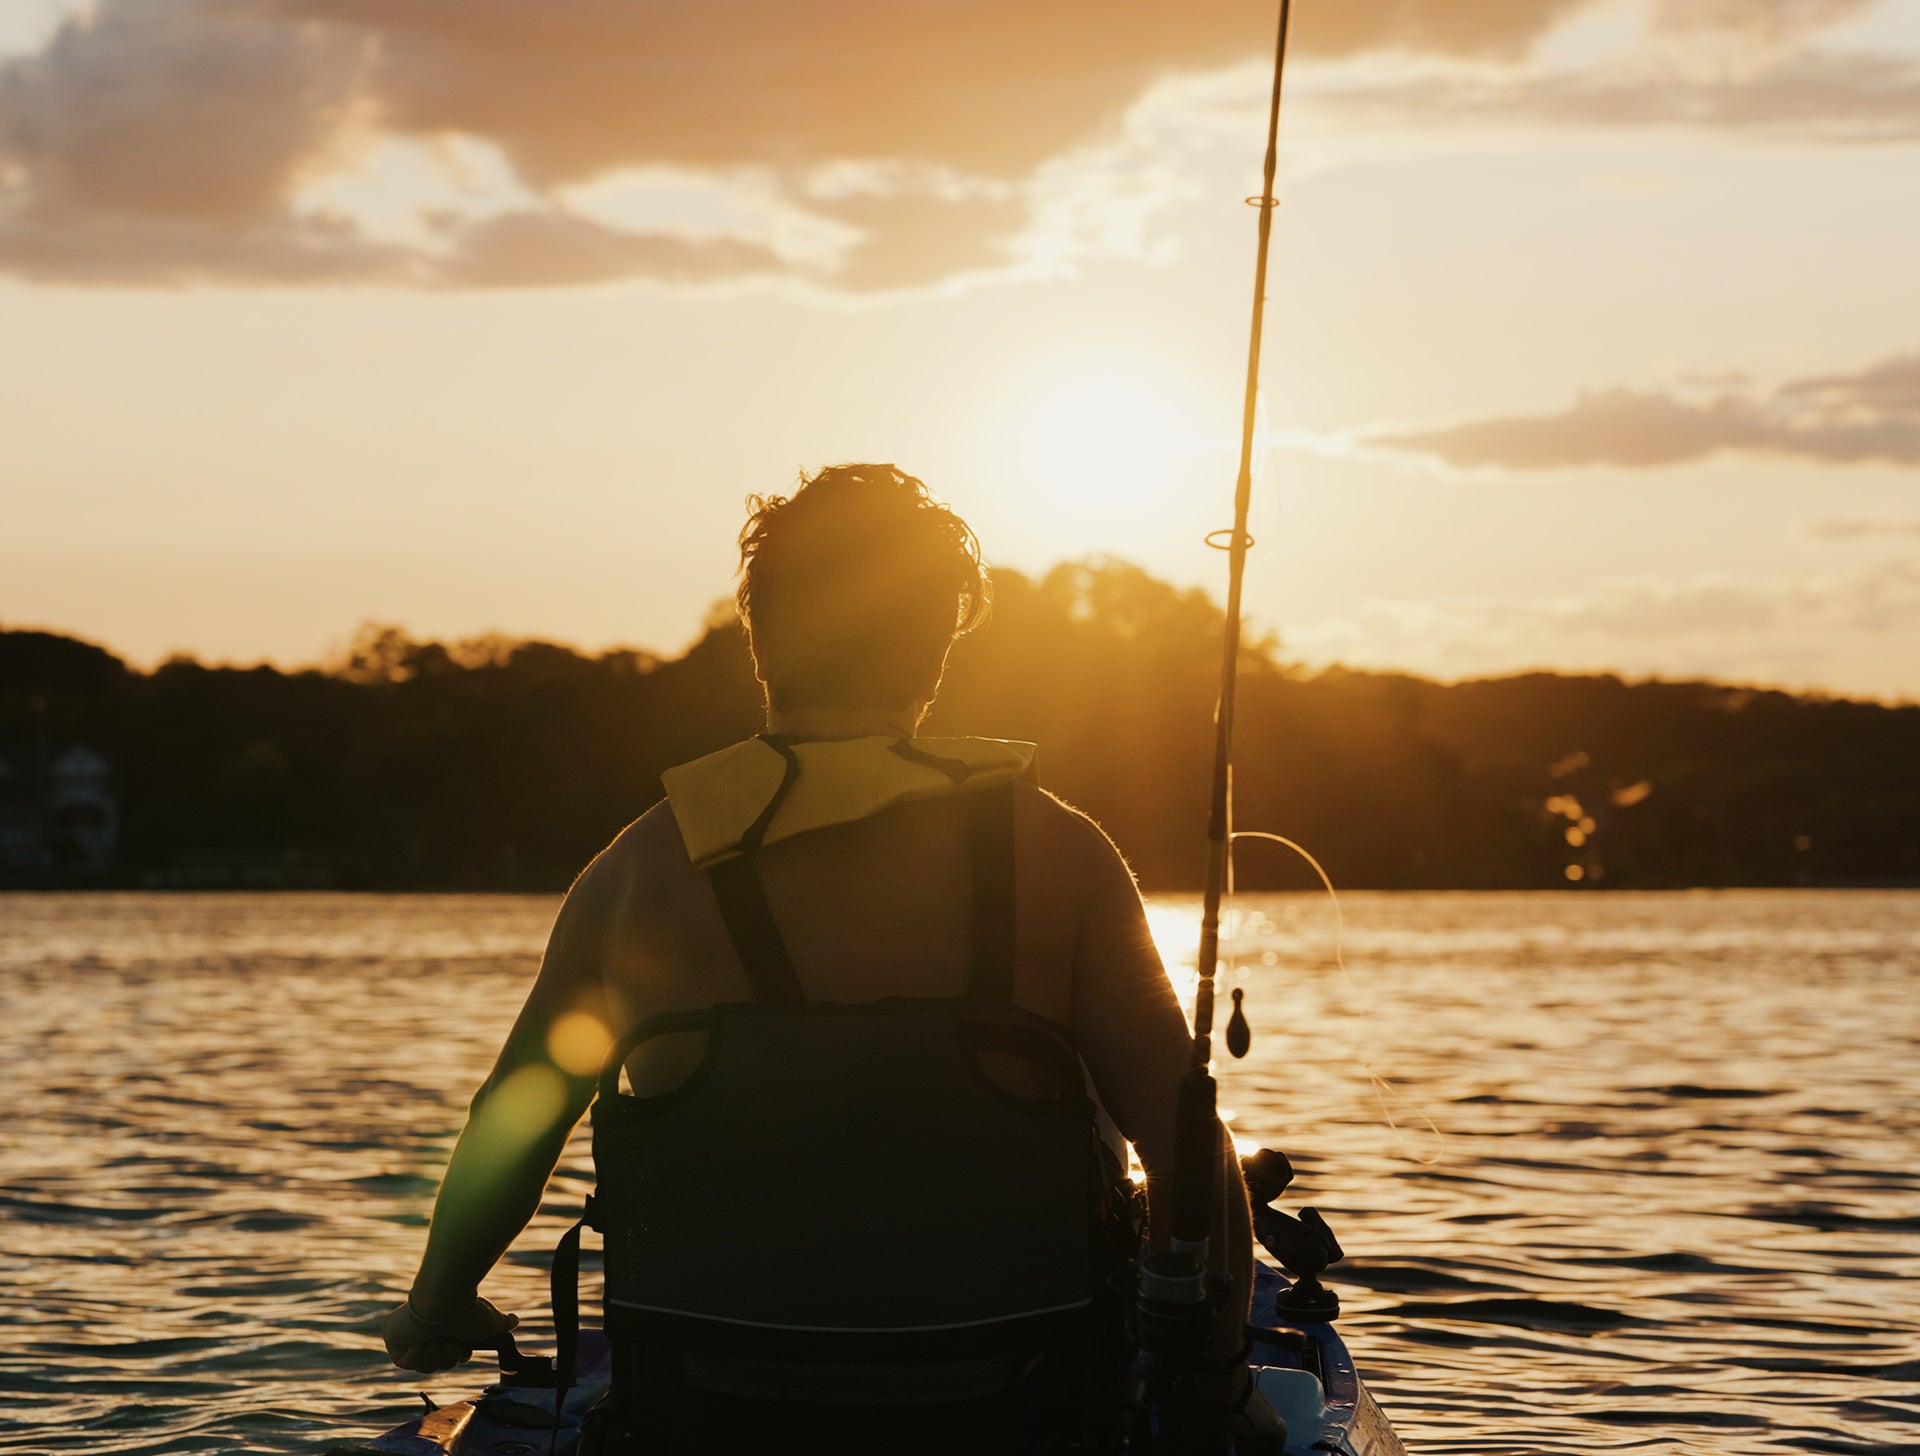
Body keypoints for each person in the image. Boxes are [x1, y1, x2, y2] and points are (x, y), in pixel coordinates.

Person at [381, 463, 1282, 1450]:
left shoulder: (635, 874)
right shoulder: (1063, 859)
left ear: (760, 634)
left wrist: (439, 1301)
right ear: (936, 645)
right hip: (1017, 1412)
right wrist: (1217, 1389)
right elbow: (1192, 1156)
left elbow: (510, 1124)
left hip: (699, 1416)